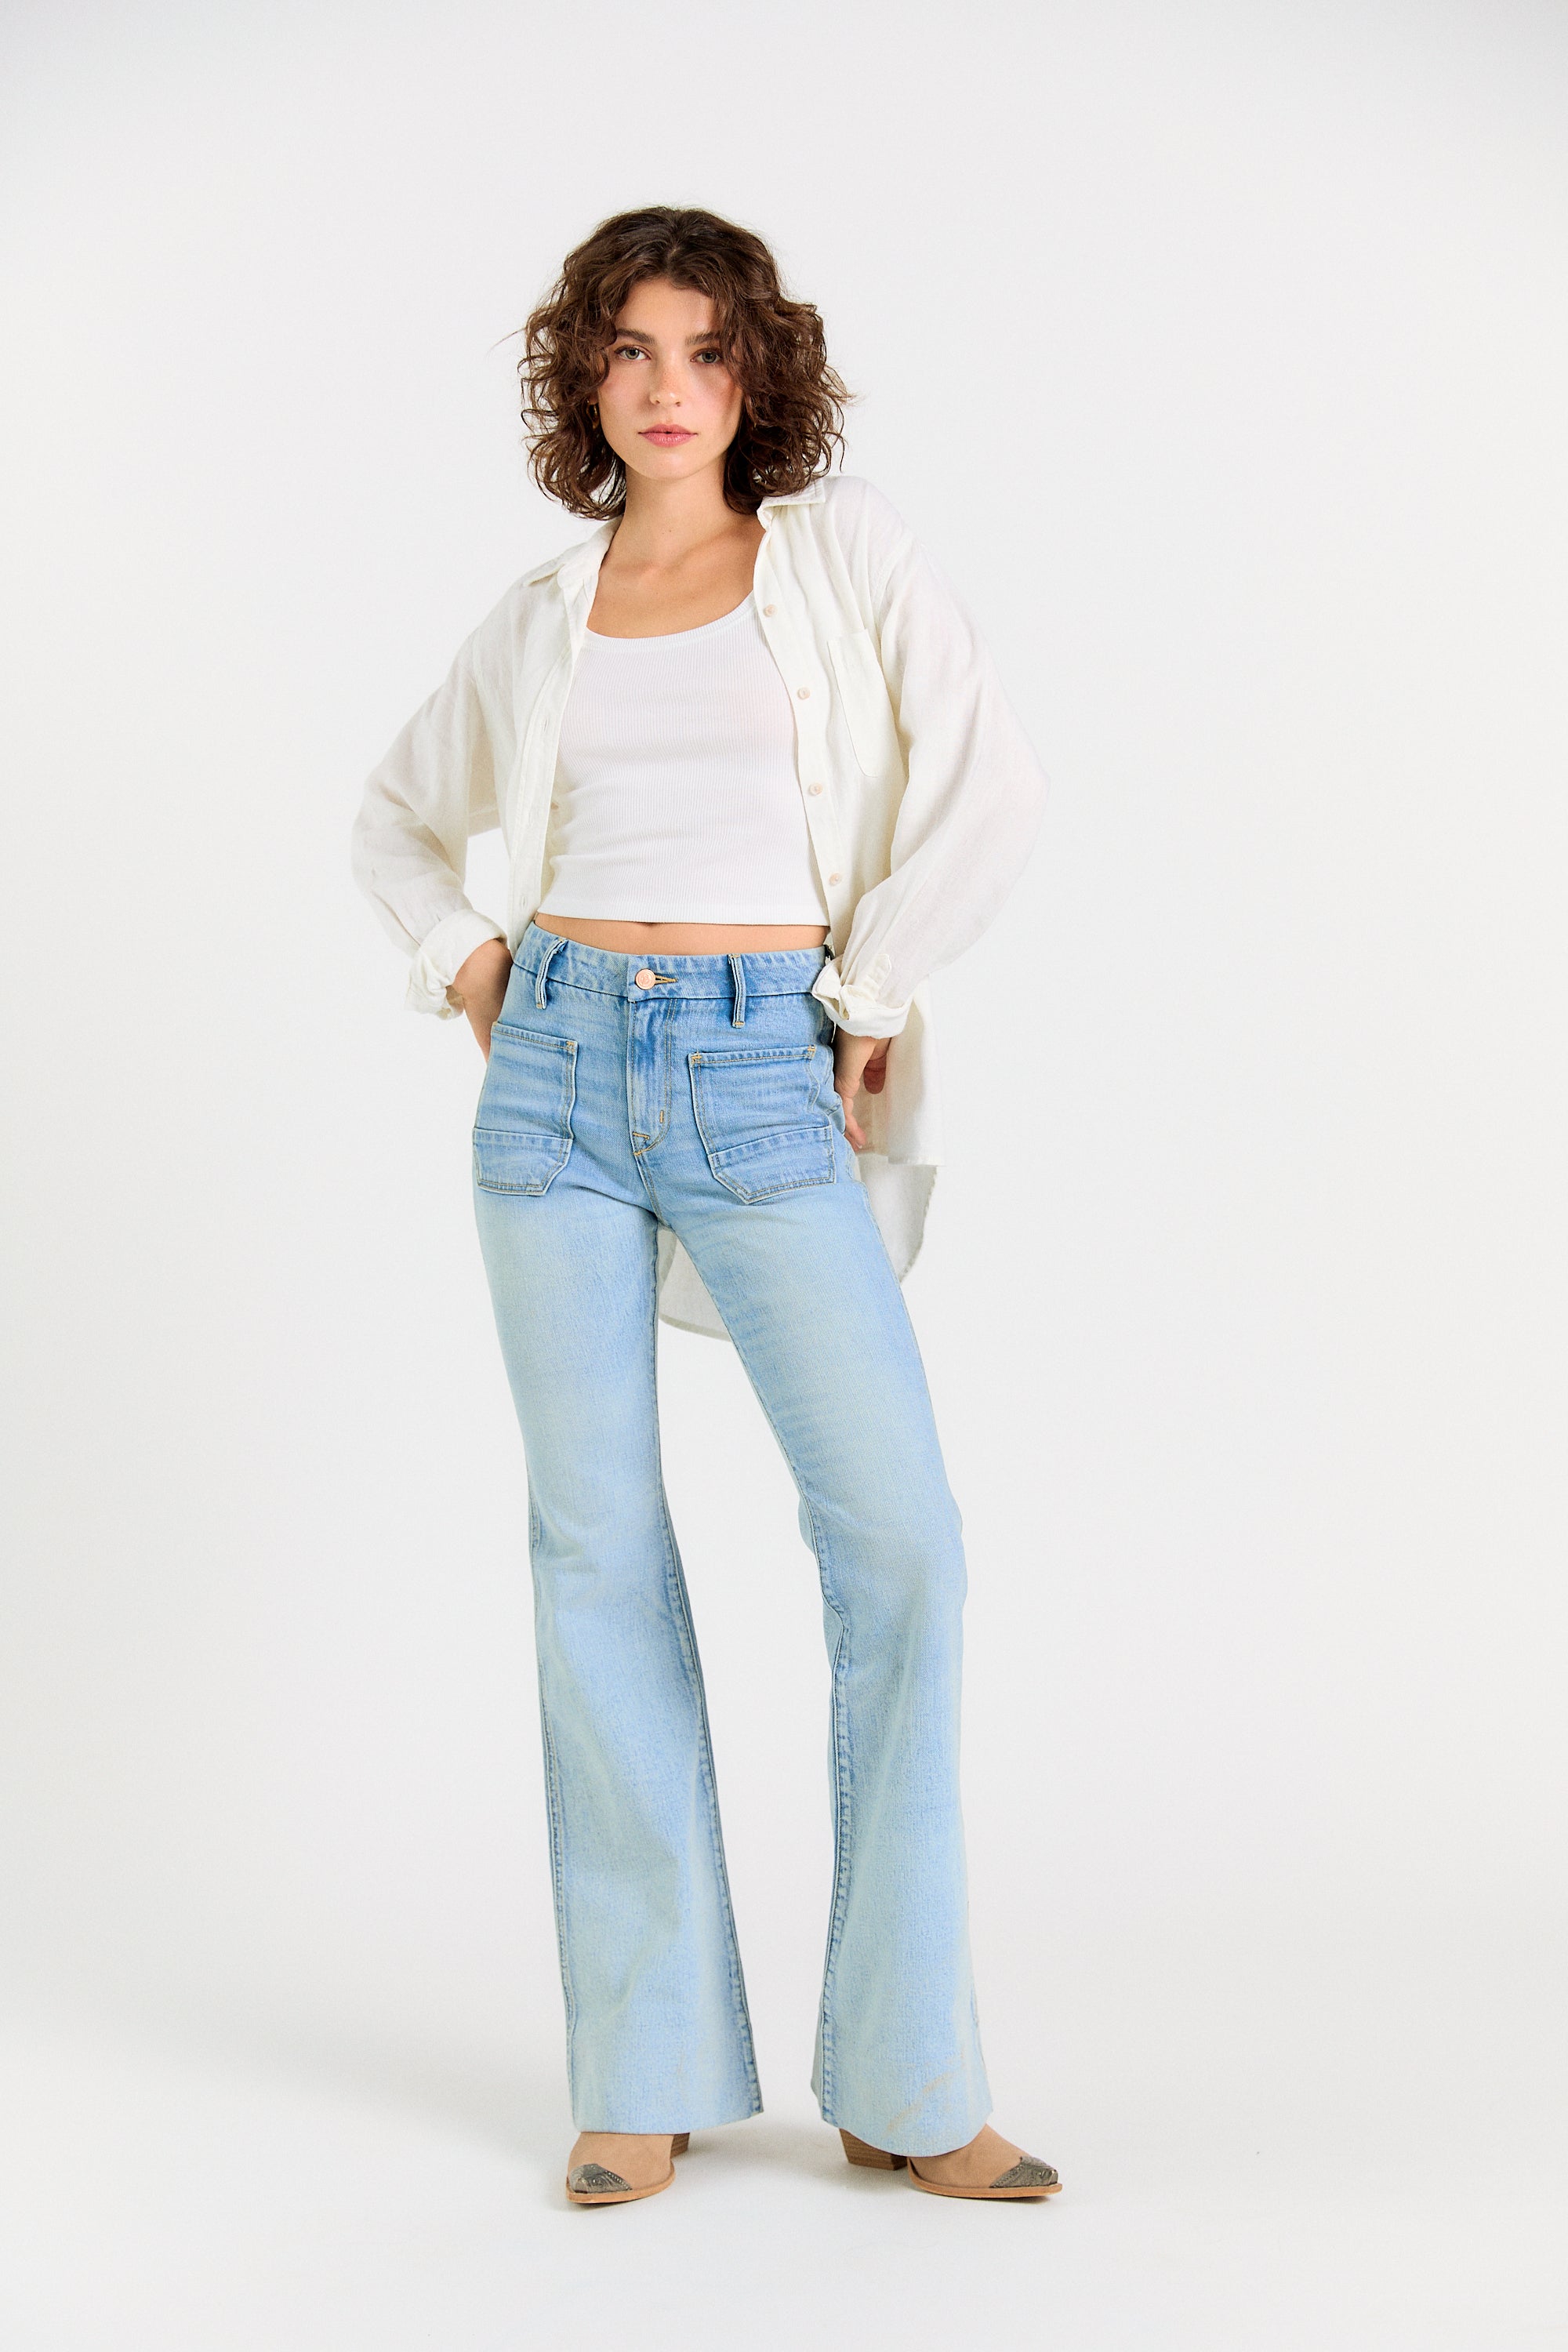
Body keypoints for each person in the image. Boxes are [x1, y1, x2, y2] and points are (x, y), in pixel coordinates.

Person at [351, 205, 1059, 2207]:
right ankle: (642, 2062)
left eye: (705, 349)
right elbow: (395, 821)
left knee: (899, 1547)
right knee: (593, 1553)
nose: (667, 387)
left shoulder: (838, 554)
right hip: (557, 1081)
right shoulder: (541, 613)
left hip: (765, 1069)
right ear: (584, 377)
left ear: (760, 376)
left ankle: (907, 2078)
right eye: (630, 349)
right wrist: (472, 971)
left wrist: (868, 992)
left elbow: (990, 787)